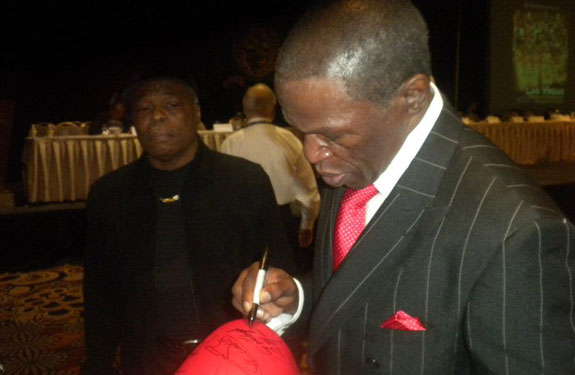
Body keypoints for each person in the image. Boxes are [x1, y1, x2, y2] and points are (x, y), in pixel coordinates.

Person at [231, 0, 575, 374]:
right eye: (300, 130)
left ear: (412, 96)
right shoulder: (351, 163)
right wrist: (295, 297)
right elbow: (358, 283)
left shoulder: (516, 232)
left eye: (332, 134)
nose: (312, 153)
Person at [82, 76, 294, 375]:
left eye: (171, 104)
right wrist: (98, 365)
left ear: (197, 112)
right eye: (144, 108)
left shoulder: (244, 182)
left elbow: (279, 271)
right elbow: (100, 294)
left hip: (230, 360)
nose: (157, 116)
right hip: (146, 360)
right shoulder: (110, 194)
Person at [220, 83, 320, 273]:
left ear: (245, 108)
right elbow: (308, 190)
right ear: (273, 109)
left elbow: (223, 194)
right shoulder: (289, 140)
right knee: (284, 277)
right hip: (282, 222)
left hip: (242, 224)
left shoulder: (230, 144)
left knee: (245, 279)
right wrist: (307, 224)